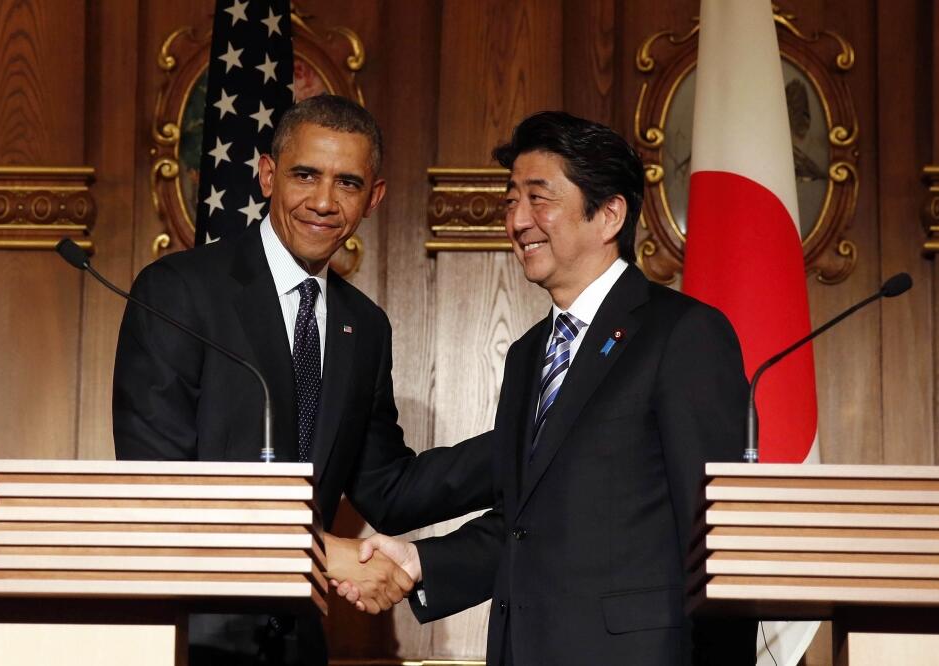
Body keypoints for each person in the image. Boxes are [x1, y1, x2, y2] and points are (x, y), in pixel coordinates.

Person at [343, 111, 757, 665]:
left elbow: (716, 535)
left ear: (609, 214)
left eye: (539, 198)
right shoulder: (529, 354)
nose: (518, 220)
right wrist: (421, 562)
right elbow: (527, 523)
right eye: (511, 200)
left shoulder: (682, 335)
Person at [113, 94, 493, 665]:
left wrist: (521, 447)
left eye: (347, 183)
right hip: (189, 634)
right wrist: (313, 551)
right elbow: (159, 489)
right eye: (305, 175)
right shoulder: (180, 292)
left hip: (298, 641)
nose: (323, 201)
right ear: (268, 175)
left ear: (374, 198)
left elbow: (387, 488)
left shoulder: (364, 325)